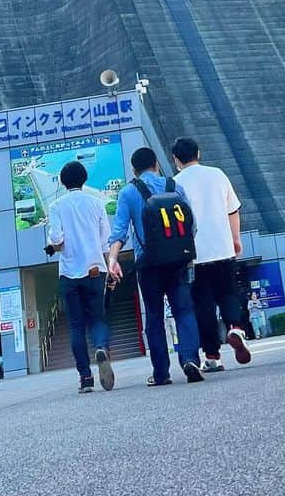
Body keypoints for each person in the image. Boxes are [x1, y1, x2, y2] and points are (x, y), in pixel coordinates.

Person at [107, 146, 203, 386]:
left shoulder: (129, 192)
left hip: (148, 264)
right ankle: (190, 359)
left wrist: (112, 260)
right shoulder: (174, 187)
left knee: (154, 316)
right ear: (156, 165)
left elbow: (119, 232)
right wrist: (188, 252)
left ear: (134, 170)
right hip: (177, 261)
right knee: (184, 310)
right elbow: (192, 225)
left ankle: (161, 373)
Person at [171, 137, 252, 371]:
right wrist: (236, 239)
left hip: (194, 255)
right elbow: (233, 210)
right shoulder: (217, 174)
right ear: (199, 152)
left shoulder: (175, 184)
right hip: (222, 247)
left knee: (203, 306)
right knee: (228, 294)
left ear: (175, 159)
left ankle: (212, 356)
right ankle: (235, 328)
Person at [46, 160, 114, 395]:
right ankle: (101, 347)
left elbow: (56, 239)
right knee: (98, 318)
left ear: (63, 182)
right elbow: (106, 238)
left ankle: (85, 378)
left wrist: (56, 245)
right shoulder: (97, 203)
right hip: (95, 269)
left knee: (76, 325)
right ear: (84, 179)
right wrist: (110, 265)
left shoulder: (56, 206)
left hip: (69, 273)